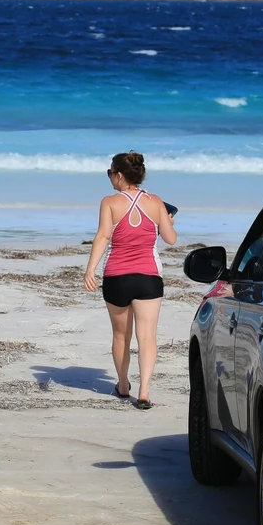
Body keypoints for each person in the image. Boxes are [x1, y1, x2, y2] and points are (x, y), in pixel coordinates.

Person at [84, 151, 177, 410]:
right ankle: (145, 392)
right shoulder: (155, 202)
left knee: (121, 336)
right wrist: (167, 221)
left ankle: (123, 385)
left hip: (116, 277)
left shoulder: (110, 203)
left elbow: (103, 236)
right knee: (147, 337)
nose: (110, 178)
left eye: (110, 173)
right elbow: (170, 239)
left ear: (120, 175)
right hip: (148, 278)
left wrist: (90, 269)